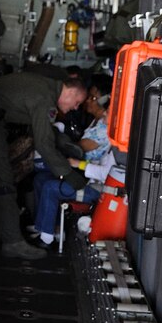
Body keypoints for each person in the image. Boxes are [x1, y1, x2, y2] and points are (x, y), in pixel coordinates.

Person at [0, 72, 89, 259]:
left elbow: (42, 128)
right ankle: (13, 242)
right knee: (3, 182)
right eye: (77, 102)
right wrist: (69, 175)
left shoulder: (46, 86)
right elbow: (44, 143)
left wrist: (64, 143)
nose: (75, 107)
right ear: (71, 92)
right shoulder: (45, 98)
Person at [29, 76, 114, 248]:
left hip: (93, 186)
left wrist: (75, 160)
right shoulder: (97, 123)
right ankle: (45, 226)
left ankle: (47, 239)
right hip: (84, 175)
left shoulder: (106, 131)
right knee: (40, 180)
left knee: (50, 187)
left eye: (93, 98)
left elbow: (79, 150)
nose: (88, 102)